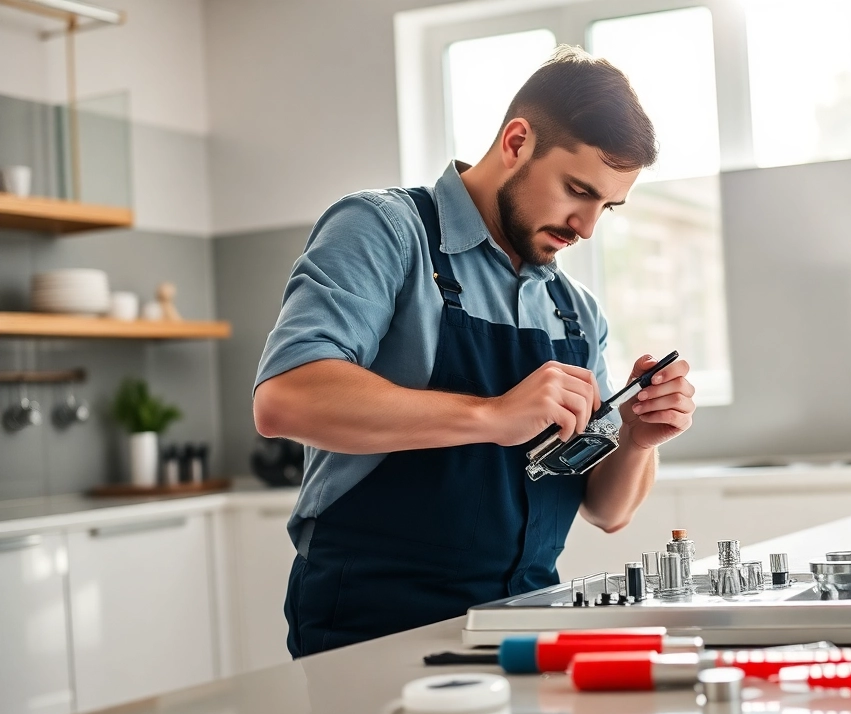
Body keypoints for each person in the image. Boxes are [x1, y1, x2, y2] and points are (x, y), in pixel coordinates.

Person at [252, 47, 696, 658]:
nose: (587, 226)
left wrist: (638, 438)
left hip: (527, 626)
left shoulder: (576, 309)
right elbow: (286, 398)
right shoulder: (385, 230)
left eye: (606, 207)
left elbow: (607, 510)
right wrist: (490, 416)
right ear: (517, 142)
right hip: (376, 627)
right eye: (577, 190)